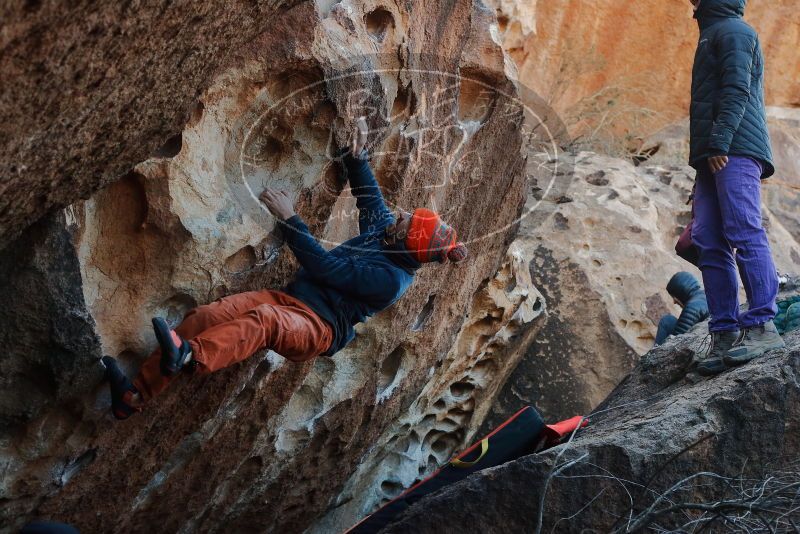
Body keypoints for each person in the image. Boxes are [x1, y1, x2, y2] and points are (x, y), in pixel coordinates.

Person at [101, 119, 468, 419]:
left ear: (410, 242)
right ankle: (133, 396)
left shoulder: (391, 281)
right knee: (207, 315)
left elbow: (323, 268)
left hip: (316, 327)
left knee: (266, 322)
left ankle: (190, 356)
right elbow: (369, 195)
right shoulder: (385, 234)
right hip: (288, 298)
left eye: (409, 221)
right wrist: (357, 158)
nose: (402, 214)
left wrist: (290, 217)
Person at [686, 0, 785, 376]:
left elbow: (738, 89)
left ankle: (762, 326)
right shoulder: (712, 32)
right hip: (714, 153)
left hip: (735, 149)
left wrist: (720, 142)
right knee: (708, 238)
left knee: (744, 229)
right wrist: (703, 159)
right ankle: (724, 331)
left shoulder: (734, 32)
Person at [655, 272, 709, 346]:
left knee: (667, 321)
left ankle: (654, 355)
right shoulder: (705, 295)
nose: (674, 302)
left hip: (701, 346)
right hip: (705, 340)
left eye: (674, 298)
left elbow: (676, 344)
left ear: (681, 293)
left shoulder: (692, 306)